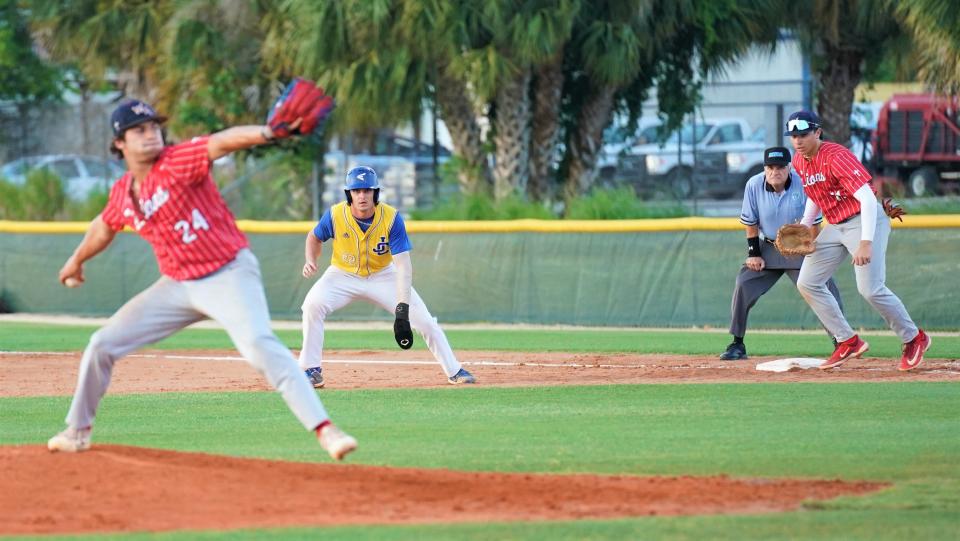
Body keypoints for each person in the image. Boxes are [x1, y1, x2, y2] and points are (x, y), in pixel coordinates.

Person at [47, 79, 359, 461]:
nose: (151, 134)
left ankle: (326, 430)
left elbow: (220, 142)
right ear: (119, 144)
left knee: (259, 345)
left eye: (153, 127)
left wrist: (266, 132)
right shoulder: (124, 192)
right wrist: (76, 260)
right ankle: (77, 430)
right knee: (101, 344)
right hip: (178, 285)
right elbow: (104, 225)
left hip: (228, 273)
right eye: (139, 130)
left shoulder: (177, 160)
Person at [298, 166, 476, 387]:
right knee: (312, 305)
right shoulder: (335, 215)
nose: (362, 196)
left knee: (426, 322)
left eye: (367, 190)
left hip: (384, 275)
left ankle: (455, 370)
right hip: (342, 274)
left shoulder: (391, 218)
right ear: (349, 194)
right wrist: (311, 260)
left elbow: (403, 266)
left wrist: (402, 309)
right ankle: (311, 369)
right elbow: (313, 237)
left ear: (375, 192)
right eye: (356, 191)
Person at [786, 110, 931, 371]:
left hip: (865, 219)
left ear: (817, 132)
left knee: (870, 289)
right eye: (793, 135)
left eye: (803, 134)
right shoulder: (799, 160)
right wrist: (806, 226)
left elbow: (865, 197)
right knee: (807, 282)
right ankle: (847, 341)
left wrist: (866, 242)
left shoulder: (836, 156)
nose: (797, 140)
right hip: (836, 223)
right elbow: (816, 195)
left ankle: (914, 338)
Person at [719, 146, 843, 360]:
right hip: (768, 246)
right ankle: (737, 344)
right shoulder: (753, 185)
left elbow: (814, 224)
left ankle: (841, 340)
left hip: (799, 248)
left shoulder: (804, 183)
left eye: (780, 167)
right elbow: (751, 224)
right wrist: (754, 254)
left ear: (789, 168)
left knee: (824, 286)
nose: (775, 171)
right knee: (743, 283)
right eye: (770, 167)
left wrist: (812, 250)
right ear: (765, 168)